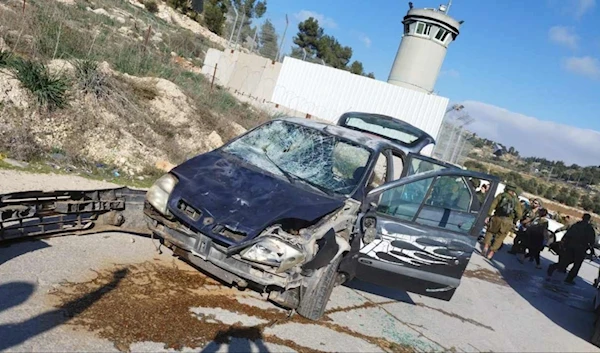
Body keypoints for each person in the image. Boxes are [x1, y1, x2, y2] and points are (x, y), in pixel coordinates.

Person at [547, 213, 597, 284]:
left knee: (566, 261)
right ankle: (569, 279)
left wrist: (563, 243)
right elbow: (592, 241)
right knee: (576, 265)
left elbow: (567, 235)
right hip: (580, 249)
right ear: (589, 220)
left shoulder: (575, 225)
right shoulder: (589, 229)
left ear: (582, 217)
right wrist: (591, 250)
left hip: (570, 247)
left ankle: (553, 267)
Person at [482, 183, 523, 260]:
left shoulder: (501, 195)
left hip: (497, 217)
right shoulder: (516, 201)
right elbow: (519, 214)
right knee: (500, 237)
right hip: (508, 221)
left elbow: (492, 205)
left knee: (490, 232)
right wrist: (514, 221)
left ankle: (486, 247)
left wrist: (488, 215)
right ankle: (491, 254)